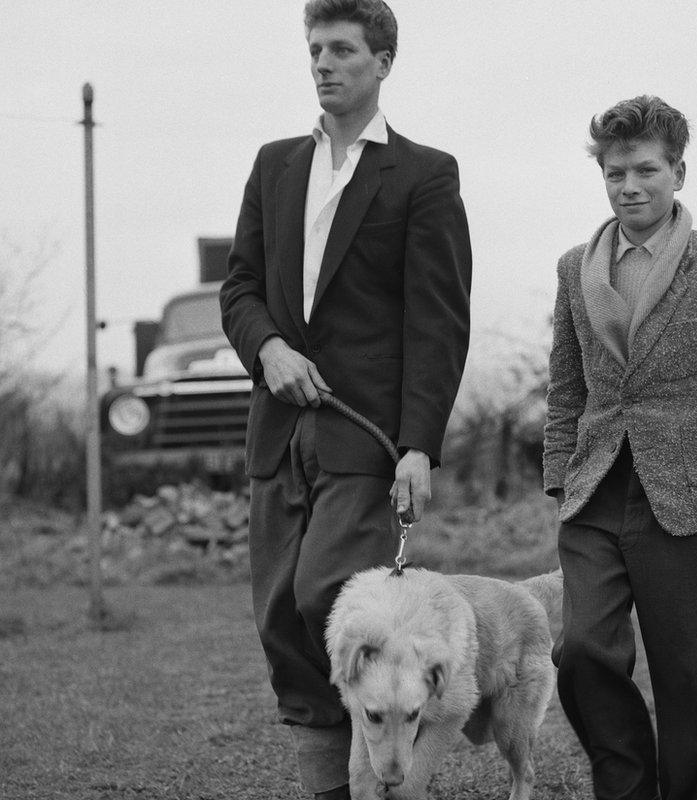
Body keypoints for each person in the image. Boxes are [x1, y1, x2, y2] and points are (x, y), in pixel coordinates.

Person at [219, 2, 472, 797]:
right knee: (276, 619)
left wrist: (418, 445)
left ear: (383, 62)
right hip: (277, 429)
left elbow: (439, 322)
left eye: (342, 50)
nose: (324, 64)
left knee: (328, 600)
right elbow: (241, 288)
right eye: (315, 49)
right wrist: (267, 347)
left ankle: (382, 776)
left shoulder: (425, 174)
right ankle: (331, 789)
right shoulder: (274, 164)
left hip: (364, 437)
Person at [543, 95, 697, 800]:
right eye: (615, 173)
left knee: (696, 679)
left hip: (686, 496)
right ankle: (626, 788)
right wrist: (560, 483)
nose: (630, 186)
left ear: (678, 171)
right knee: (581, 652)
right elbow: (565, 390)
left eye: (646, 170)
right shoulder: (572, 269)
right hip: (594, 495)